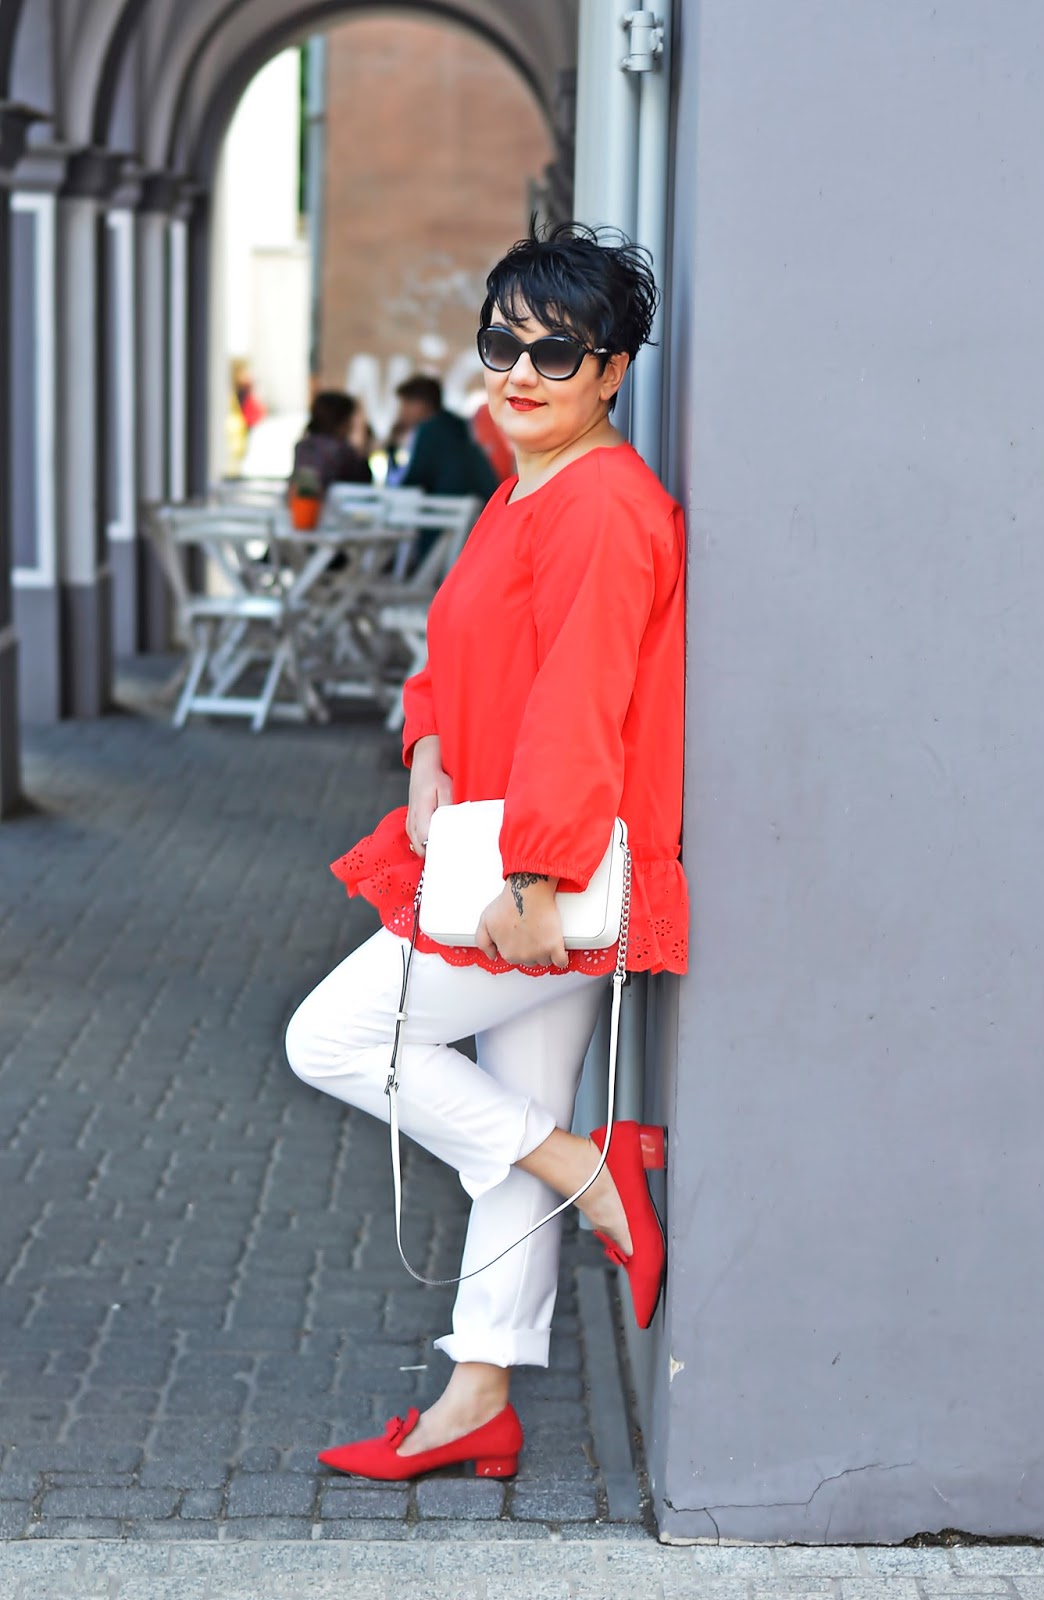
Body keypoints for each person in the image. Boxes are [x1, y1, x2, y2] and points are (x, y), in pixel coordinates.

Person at [285, 222, 688, 1483]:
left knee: (333, 1038)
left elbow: (581, 698)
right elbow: (454, 657)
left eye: (555, 352)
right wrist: (423, 750)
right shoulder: (525, 491)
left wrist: (535, 874)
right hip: (505, 849)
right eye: (501, 344)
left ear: (610, 370)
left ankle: (592, 1171)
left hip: (535, 874)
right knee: (510, 1129)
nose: (519, 372)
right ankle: (477, 1399)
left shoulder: (603, 507)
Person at [395, 374, 500, 503]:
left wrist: (391, 444)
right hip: (480, 505)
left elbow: (413, 482)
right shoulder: (457, 425)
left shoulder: (430, 430)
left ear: (419, 405)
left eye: (405, 404)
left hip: (451, 509)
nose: (401, 412)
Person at [291, 390, 374, 495]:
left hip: (299, 502)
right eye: (350, 419)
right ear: (343, 423)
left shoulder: (302, 446)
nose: (352, 424)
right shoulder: (342, 451)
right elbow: (365, 483)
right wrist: (363, 452)